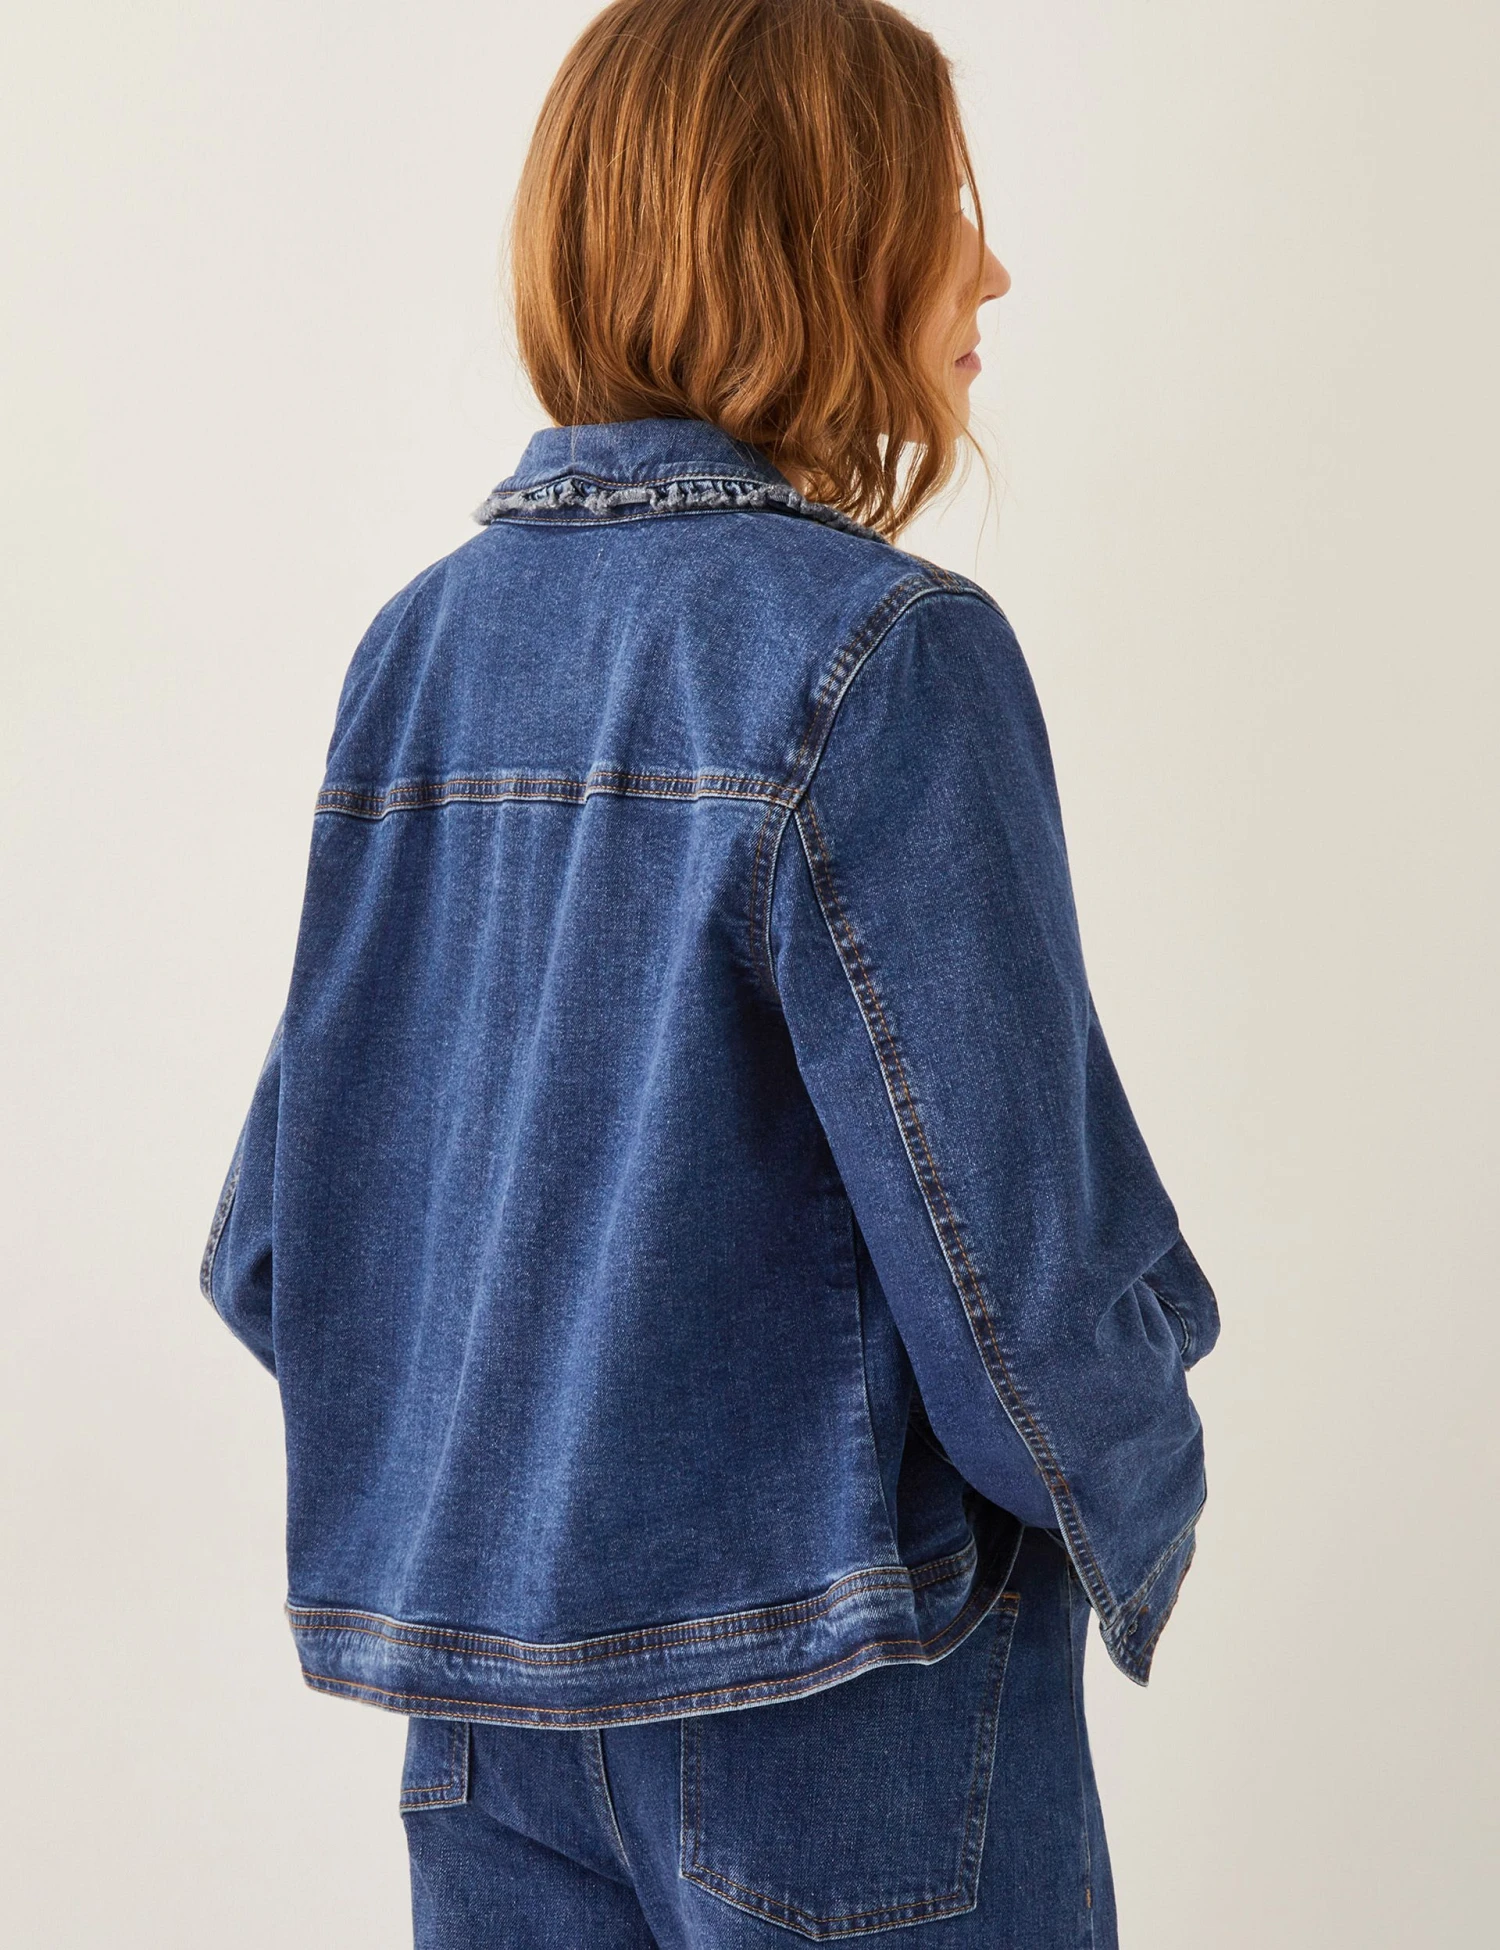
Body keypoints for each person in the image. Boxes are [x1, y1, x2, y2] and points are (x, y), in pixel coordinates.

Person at [200, 1, 1219, 1942]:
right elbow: (1020, 1301)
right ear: (819, 236)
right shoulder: (888, 652)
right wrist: (1147, 1491)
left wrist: (524, 1499)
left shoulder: (417, 655)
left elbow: (279, 1248)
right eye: (942, 204)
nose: (991, 267)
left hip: (484, 1735)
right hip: (847, 1719)